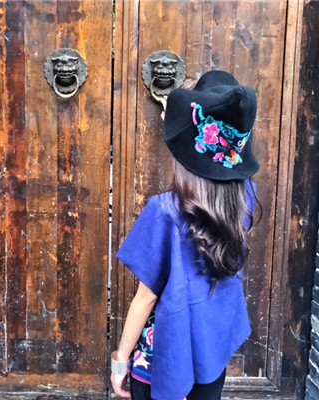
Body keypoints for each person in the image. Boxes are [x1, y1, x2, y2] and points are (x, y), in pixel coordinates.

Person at [110, 70, 260, 400]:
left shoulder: (165, 210)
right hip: (212, 353)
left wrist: (120, 360)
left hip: (164, 360)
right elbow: (213, 169)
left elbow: (145, 298)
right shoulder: (245, 197)